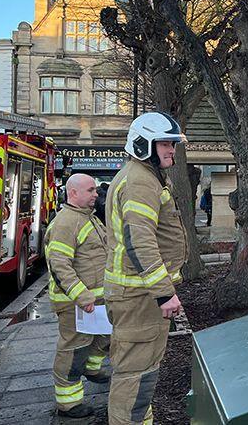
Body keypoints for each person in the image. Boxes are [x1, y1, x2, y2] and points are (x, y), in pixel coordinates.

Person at [104, 112, 188, 425]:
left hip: (138, 295)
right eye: (166, 143)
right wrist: (165, 293)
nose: (172, 150)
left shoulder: (141, 176)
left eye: (173, 144)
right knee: (134, 380)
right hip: (139, 297)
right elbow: (138, 241)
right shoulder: (140, 181)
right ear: (144, 144)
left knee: (141, 378)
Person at [45, 173, 110, 419]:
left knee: (103, 338)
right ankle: (69, 404)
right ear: (73, 193)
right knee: (73, 351)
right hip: (76, 304)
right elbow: (59, 264)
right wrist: (81, 295)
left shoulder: (88, 218)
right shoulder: (66, 223)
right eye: (91, 190)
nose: (96, 194)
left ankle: (91, 369)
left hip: (94, 301)